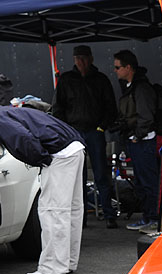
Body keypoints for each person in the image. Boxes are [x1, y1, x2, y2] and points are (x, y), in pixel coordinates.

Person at [0, 96, 85, 274]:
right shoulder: (7, 112)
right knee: (70, 210)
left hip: (60, 154)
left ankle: (52, 269)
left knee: (52, 212)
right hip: (74, 148)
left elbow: (23, 139)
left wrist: (42, 160)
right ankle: (67, 262)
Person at [51, 44, 119, 228]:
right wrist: (67, 130)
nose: (81, 62)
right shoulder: (66, 80)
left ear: (91, 59)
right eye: (77, 58)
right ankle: (81, 218)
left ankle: (109, 214)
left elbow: (110, 107)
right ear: (74, 60)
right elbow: (57, 108)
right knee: (76, 177)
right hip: (74, 134)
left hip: (94, 132)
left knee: (101, 174)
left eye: (84, 58)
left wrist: (101, 127)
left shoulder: (100, 80)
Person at [113, 49, 160, 232]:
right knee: (141, 181)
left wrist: (137, 136)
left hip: (143, 142)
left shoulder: (141, 88)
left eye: (118, 67)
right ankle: (149, 217)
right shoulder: (131, 87)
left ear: (128, 67)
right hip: (137, 140)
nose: (115, 71)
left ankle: (154, 218)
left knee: (148, 181)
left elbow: (146, 116)